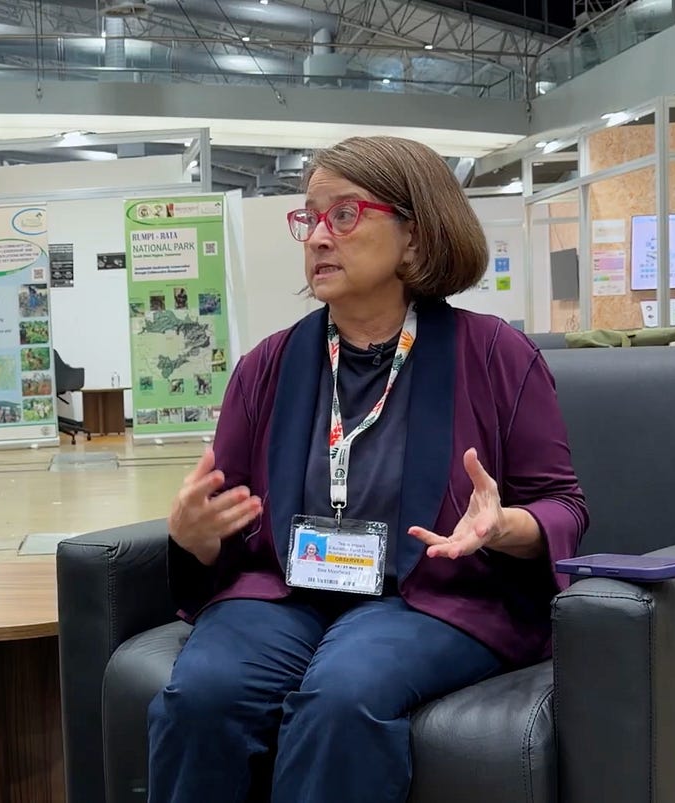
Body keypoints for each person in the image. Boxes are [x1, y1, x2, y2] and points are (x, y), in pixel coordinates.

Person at [147, 136, 589, 803]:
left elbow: (563, 505)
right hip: (287, 592)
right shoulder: (266, 365)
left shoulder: (497, 354)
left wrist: (505, 525)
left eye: (345, 215)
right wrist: (195, 533)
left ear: (415, 236)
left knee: (343, 696)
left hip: (435, 597)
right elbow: (226, 526)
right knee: (203, 694)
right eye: (309, 217)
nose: (319, 237)